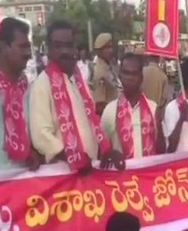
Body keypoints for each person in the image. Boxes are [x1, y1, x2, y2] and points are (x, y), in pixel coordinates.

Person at [29, 20, 124, 174]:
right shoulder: (42, 84)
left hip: (88, 171)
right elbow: (41, 135)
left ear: (75, 48)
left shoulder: (80, 80)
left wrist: (106, 150)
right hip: (63, 175)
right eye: (58, 46)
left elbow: (92, 121)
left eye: (68, 45)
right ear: (49, 49)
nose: (64, 51)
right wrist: (74, 157)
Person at [0, 17, 43, 171]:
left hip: (24, 182)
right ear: (4, 47)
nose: (29, 54)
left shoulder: (31, 89)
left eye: (29, 48)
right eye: (23, 47)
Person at [101, 53, 164, 159]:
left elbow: (162, 152)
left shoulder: (153, 108)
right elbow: (102, 149)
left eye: (134, 74)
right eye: (126, 73)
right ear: (120, 76)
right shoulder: (110, 110)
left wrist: (159, 126)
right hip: (121, 174)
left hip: (147, 174)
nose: (130, 78)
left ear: (141, 77)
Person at [91, 33, 120, 115]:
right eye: (107, 47)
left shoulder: (108, 67)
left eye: (111, 47)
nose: (111, 50)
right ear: (99, 51)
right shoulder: (101, 74)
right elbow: (100, 105)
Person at [142, 54, 171, 119]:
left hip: (141, 109)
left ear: (148, 58)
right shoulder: (163, 76)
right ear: (158, 59)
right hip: (155, 112)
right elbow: (164, 97)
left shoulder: (141, 72)